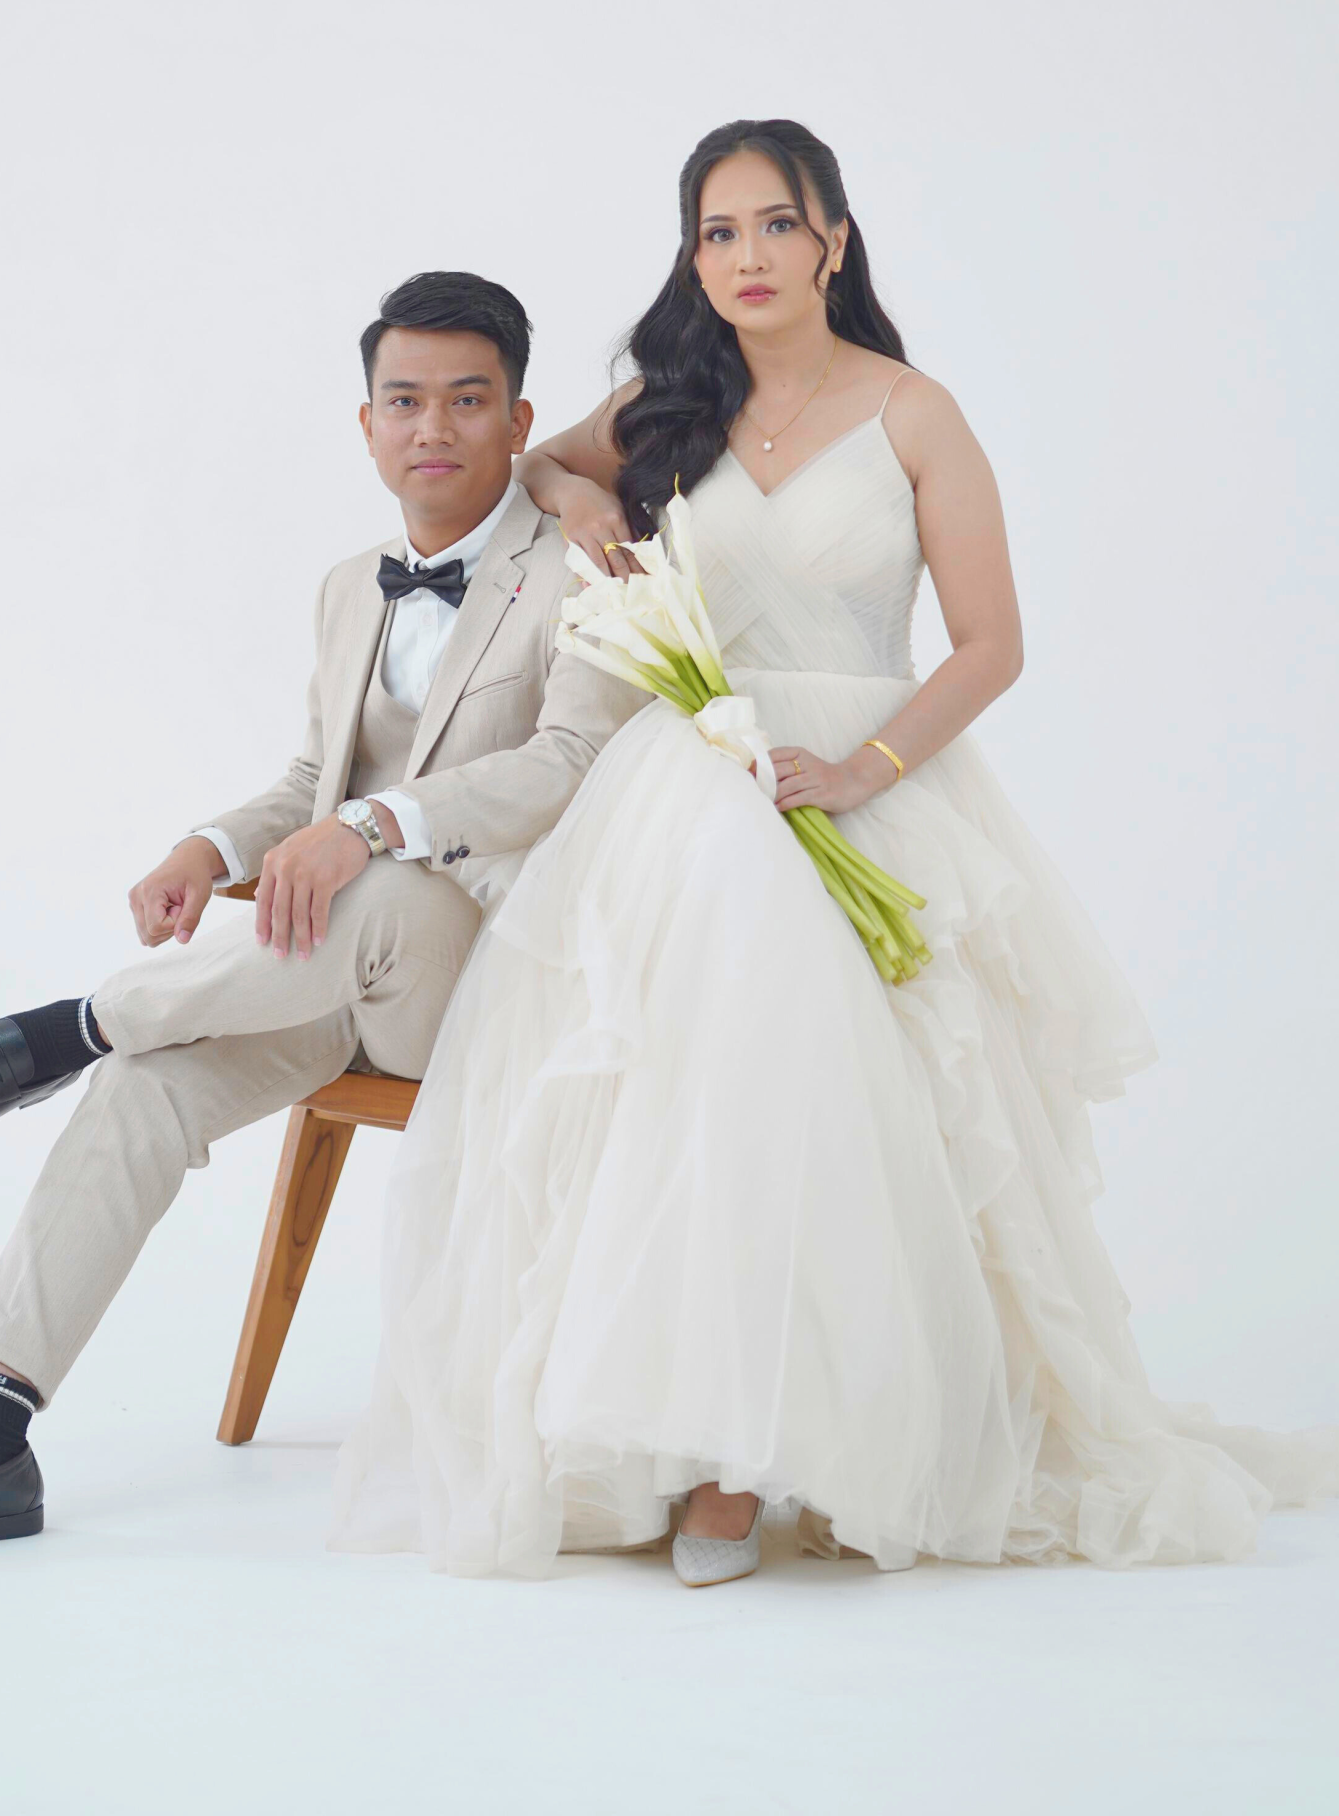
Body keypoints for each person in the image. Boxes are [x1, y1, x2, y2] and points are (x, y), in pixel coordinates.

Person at [333, 121, 1339, 1586]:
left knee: (848, 1103)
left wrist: (863, 773)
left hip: (867, 778)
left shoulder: (913, 412)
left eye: (774, 224)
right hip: (689, 786)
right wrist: (589, 497)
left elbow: (990, 645)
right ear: (694, 258)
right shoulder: (668, 401)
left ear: (833, 240)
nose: (745, 256)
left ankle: (767, 1453)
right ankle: (682, 1440)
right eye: (716, 232)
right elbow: (538, 466)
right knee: (689, 1079)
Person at [0, 271, 638, 1563]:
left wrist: (374, 825)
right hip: (317, 976)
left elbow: (569, 764)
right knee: (143, 1085)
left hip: (479, 977)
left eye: (466, 401)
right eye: (403, 401)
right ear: (365, 424)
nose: (431, 428)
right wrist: (210, 847)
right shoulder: (347, 588)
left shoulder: (583, 568)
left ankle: (64, 1026)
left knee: (378, 885)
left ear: (520, 419)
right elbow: (313, 779)